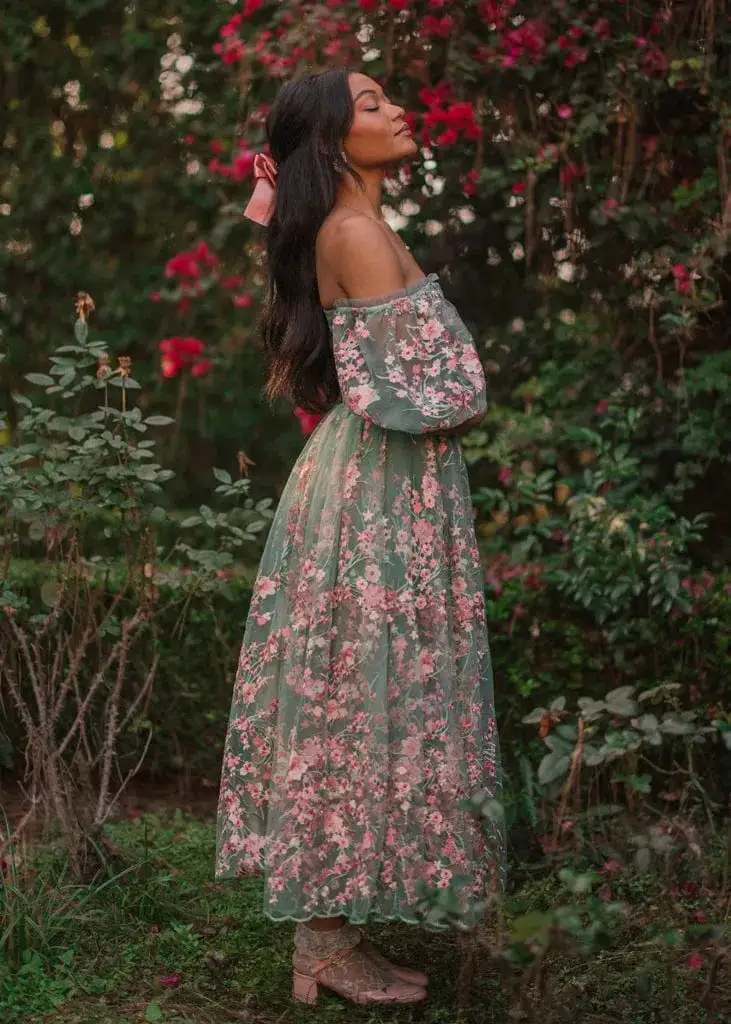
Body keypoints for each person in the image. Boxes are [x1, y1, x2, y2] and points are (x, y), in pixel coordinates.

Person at [215, 67, 504, 1007]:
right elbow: (429, 392)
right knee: (357, 691)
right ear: (335, 139)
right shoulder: (354, 233)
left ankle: (328, 939)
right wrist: (463, 397)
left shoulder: (360, 227)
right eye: (374, 103)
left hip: (381, 476)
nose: (399, 110)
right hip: (383, 482)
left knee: (357, 687)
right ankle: (324, 945)